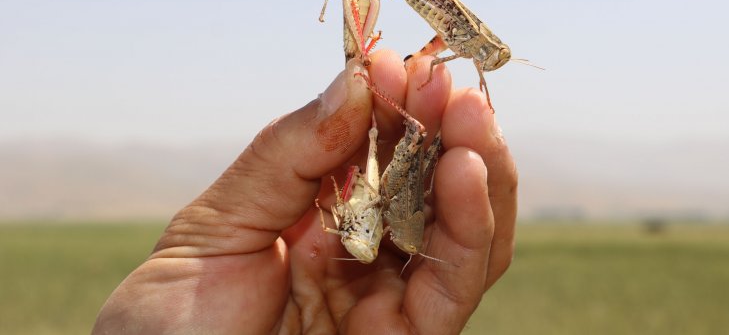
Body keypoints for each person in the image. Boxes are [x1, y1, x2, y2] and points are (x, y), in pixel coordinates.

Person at [92, 49, 518, 334]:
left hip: (374, 203)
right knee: (402, 141)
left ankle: (402, 105)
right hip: (376, 202)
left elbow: (360, 213)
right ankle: (400, 102)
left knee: (403, 144)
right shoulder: (367, 238)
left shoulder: (369, 235)